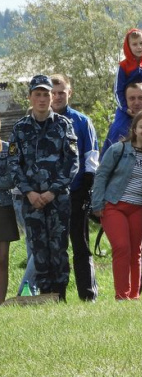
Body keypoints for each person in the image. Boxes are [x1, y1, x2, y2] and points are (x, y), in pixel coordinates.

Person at [8, 75, 80, 300]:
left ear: (52, 97)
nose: (42, 99)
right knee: (38, 250)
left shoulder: (64, 125)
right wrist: (29, 191)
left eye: (46, 94)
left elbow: (72, 162)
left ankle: (59, 296)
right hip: (30, 200)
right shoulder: (20, 129)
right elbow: (13, 163)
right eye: (37, 94)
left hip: (57, 199)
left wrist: (51, 192)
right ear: (30, 97)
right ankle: (43, 298)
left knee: (58, 249)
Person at [92, 111, 142, 300]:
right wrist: (97, 203)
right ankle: (122, 295)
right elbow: (101, 175)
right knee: (122, 247)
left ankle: (134, 295)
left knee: (136, 251)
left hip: (140, 209)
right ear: (134, 129)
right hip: (114, 206)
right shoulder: (118, 149)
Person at [50, 74, 100, 300]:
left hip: (77, 193)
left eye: (62, 92)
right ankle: (55, 296)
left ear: (70, 93)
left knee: (81, 246)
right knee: (54, 249)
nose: (57, 96)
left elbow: (92, 155)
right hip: (49, 196)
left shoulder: (81, 121)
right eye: (53, 92)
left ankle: (88, 295)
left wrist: (87, 187)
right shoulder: (39, 121)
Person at [105, 29, 142, 155]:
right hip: (127, 106)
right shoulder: (123, 66)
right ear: (128, 46)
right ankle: (112, 157)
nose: (139, 47)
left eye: (141, 43)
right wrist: (125, 108)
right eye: (134, 44)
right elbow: (117, 90)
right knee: (117, 128)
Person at [0, 121, 19, 304]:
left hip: (3, 208)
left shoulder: (11, 148)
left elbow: (13, 178)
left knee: (3, 258)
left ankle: (1, 302)